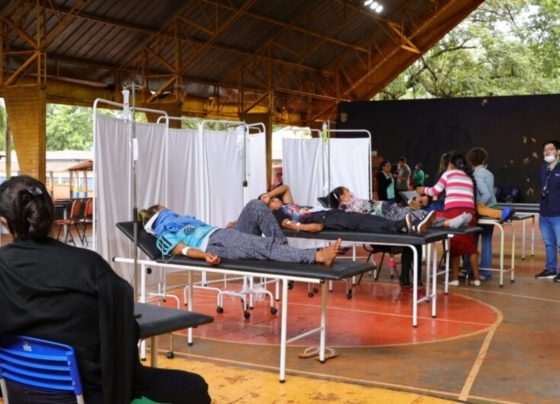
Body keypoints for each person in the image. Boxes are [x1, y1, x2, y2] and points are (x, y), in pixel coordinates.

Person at [0, 175, 211, 404]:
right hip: (94, 395)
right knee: (194, 386)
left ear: (4, 221)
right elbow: (124, 334)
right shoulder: (89, 266)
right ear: (51, 214)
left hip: (18, 392)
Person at [259, 185, 437, 289]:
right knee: (360, 221)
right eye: (272, 200)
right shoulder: (277, 214)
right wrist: (306, 227)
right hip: (321, 219)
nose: (276, 199)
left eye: (275, 198)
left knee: (362, 219)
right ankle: (400, 226)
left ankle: (403, 225)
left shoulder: (286, 204)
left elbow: (285, 187)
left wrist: (269, 195)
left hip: (326, 213)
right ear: (266, 207)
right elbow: (288, 225)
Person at [140, 203, 341, 266]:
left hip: (223, 234)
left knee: (256, 206)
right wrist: (204, 256)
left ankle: (283, 251)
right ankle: (316, 256)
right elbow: (182, 250)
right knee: (262, 245)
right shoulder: (164, 234)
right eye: (165, 210)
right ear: (159, 216)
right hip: (215, 245)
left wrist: (234, 226)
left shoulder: (182, 221)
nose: (171, 211)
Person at [417, 152, 482, 286]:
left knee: (454, 245)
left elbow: (435, 191)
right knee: (471, 247)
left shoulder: (448, 174)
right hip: (470, 211)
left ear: (451, 164)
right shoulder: (468, 177)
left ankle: (455, 279)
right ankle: (476, 280)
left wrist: (423, 190)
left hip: (453, 210)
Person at [466, 147, 515, 280]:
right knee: (486, 241)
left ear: (470, 161)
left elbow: (486, 194)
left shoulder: (476, 174)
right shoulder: (489, 173)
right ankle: (485, 272)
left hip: (484, 211)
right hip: (493, 207)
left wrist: (477, 207)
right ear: (484, 159)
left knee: (472, 241)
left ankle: (470, 269)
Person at [328, 186, 471, 229]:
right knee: (419, 216)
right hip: (386, 214)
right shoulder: (349, 208)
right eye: (347, 191)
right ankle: (448, 223)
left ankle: (450, 222)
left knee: (416, 212)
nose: (351, 192)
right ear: (342, 196)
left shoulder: (354, 202)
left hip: (387, 208)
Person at [534, 140, 560, 281]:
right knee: (549, 243)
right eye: (545, 150)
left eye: (550, 149)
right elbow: (541, 186)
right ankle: (551, 269)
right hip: (544, 213)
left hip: (558, 214)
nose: (547, 152)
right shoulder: (543, 168)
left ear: (558, 151)